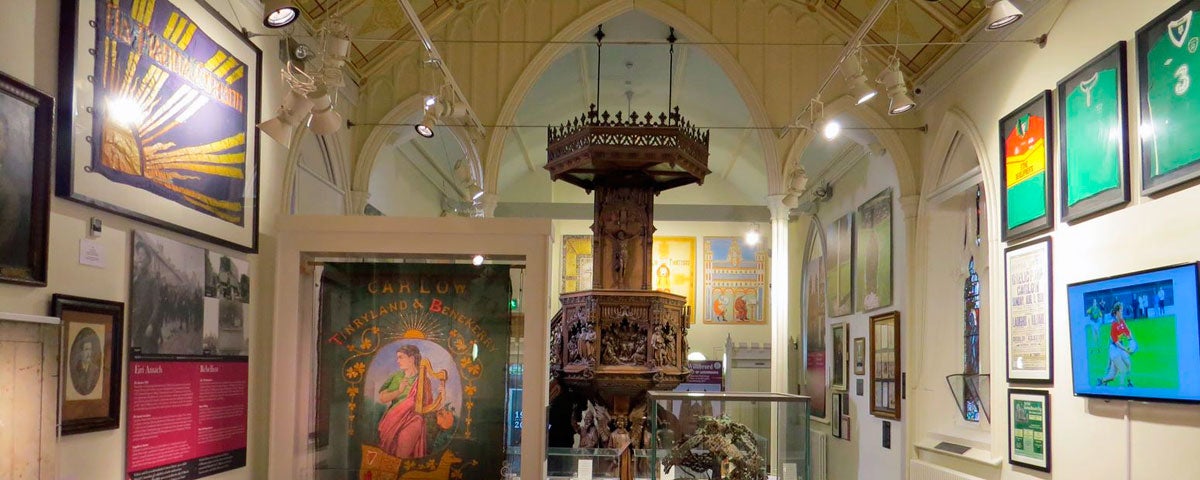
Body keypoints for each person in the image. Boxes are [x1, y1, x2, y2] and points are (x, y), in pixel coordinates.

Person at [377, 345, 446, 458]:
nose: (397, 361)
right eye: (397, 358)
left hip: (414, 420)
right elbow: (382, 398)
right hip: (392, 419)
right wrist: (399, 391)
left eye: (401, 357)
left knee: (402, 453)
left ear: (412, 359)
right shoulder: (396, 376)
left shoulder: (424, 380)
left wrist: (442, 396)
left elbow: (429, 407)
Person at [1099, 302, 1136, 387]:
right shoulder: (1114, 325)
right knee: (1121, 370)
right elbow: (1117, 343)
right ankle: (1119, 389)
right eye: (1121, 311)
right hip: (1114, 349)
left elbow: (1127, 332)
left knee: (1127, 364)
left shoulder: (1122, 321)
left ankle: (1129, 382)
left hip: (1120, 348)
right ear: (1117, 312)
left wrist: (1131, 340)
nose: (1122, 313)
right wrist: (1126, 349)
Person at [70, 330, 102, 396]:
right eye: (86, 349)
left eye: (90, 349)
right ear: (81, 352)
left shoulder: (95, 369)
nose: (89, 353)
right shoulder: (76, 368)